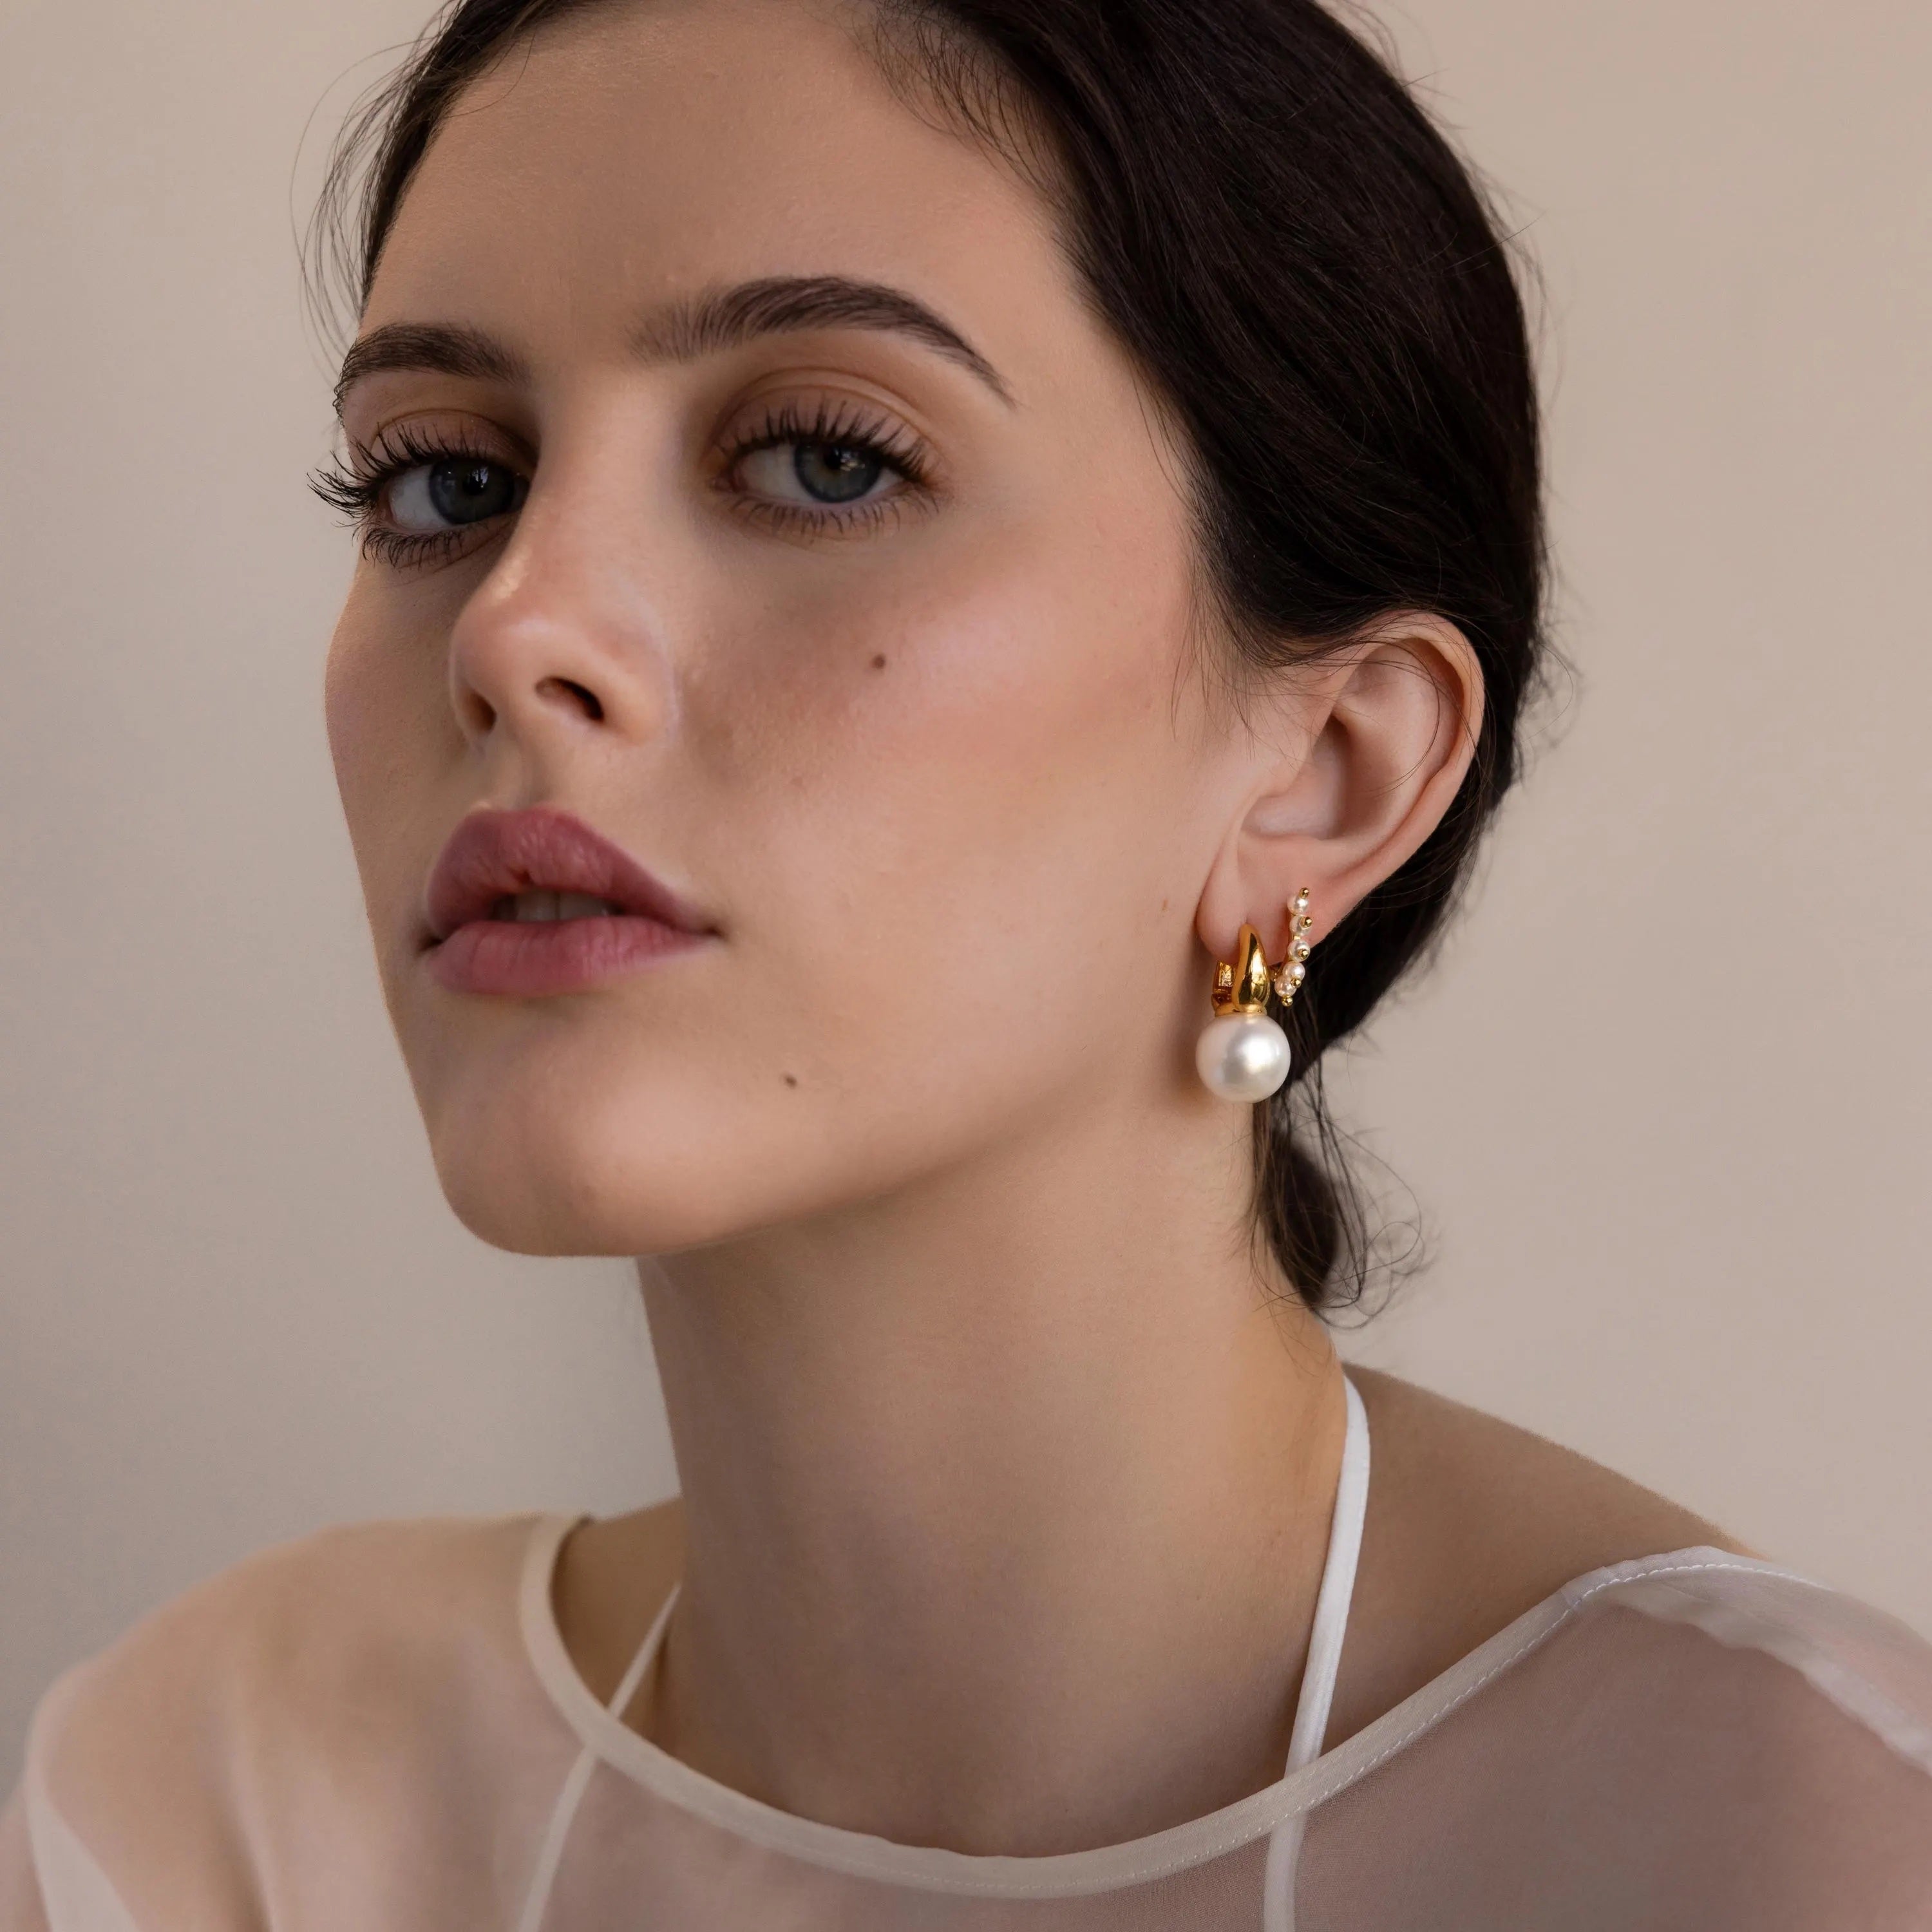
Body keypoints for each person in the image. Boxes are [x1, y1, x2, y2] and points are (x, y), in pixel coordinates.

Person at [6, 0, 1930, 1924]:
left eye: (826, 460)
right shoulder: (218, 1812)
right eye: (445, 480)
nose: (518, 629)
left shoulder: (1785, 1844)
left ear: (1328, 775)